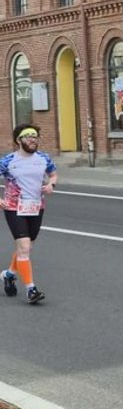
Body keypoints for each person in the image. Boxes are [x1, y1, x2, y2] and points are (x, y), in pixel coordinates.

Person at [1, 125, 58, 305]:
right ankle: (31, 289)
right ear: (19, 140)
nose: (33, 140)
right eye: (29, 137)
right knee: (24, 246)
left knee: (26, 248)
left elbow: (53, 175)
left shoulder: (43, 158)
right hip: (13, 207)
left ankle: (8, 275)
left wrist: (51, 185)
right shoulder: (8, 160)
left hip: (36, 207)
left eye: (35, 137)